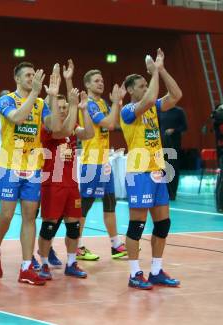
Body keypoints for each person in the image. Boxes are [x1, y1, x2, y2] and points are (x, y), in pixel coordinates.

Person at [0, 62, 61, 285]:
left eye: (34, 74)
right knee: (7, 214)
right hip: (10, 166)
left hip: (32, 168)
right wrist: (37, 94)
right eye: (28, 75)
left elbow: (55, 127)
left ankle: (26, 267)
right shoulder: (6, 100)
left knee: (30, 217)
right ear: (17, 79)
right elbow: (18, 117)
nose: (32, 78)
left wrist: (53, 98)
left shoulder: (40, 103)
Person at [120, 49, 183, 290]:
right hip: (139, 172)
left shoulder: (154, 107)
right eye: (142, 85)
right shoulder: (128, 111)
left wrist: (162, 70)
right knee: (137, 225)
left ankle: (155, 271)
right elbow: (148, 99)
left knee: (163, 223)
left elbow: (176, 95)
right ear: (130, 90)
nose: (146, 87)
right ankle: (135, 273)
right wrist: (154, 72)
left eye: (147, 83)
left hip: (157, 170)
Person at [38, 85, 94, 280]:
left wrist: (84, 109)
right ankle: (44, 263)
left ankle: (71, 263)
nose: (62, 110)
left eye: (64, 107)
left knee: (74, 226)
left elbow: (89, 134)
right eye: (59, 107)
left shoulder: (71, 127)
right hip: (52, 183)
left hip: (71, 184)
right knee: (49, 226)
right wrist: (73, 106)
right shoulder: (48, 128)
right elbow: (62, 132)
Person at [74, 66, 126, 261]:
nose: (101, 82)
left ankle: (116, 245)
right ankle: (77, 246)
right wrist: (116, 103)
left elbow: (115, 121)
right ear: (87, 84)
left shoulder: (103, 103)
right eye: (96, 80)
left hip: (104, 162)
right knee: (84, 206)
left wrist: (116, 104)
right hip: (92, 163)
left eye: (102, 79)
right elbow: (110, 124)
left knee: (110, 203)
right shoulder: (90, 105)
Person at [159, 106, 187, 200]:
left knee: (173, 168)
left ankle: (172, 193)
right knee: (163, 168)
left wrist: (174, 130)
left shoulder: (179, 111)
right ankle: (163, 192)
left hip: (174, 144)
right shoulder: (160, 111)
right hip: (162, 143)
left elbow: (184, 127)